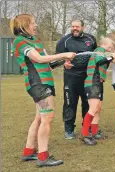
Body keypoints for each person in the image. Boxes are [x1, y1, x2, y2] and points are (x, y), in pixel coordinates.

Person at [12, 13, 76, 166]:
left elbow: (48, 63)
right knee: (48, 118)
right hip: (38, 85)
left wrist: (63, 61)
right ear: (23, 26)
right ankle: (43, 157)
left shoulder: (35, 41)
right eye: (33, 22)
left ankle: (29, 152)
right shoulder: (20, 42)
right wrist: (64, 53)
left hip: (44, 83)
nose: (36, 25)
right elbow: (38, 59)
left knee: (40, 118)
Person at [56, 19, 98, 140]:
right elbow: (57, 57)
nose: (74, 28)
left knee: (87, 103)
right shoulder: (64, 41)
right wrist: (64, 63)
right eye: (73, 26)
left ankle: (87, 126)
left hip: (88, 77)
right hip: (71, 77)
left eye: (77, 26)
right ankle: (69, 129)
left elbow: (96, 54)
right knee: (70, 103)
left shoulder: (91, 39)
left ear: (83, 27)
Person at [81, 37, 115, 145]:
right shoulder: (99, 50)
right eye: (110, 48)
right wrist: (113, 56)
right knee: (93, 108)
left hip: (98, 82)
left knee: (97, 108)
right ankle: (85, 135)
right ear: (107, 45)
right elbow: (100, 61)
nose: (110, 50)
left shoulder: (102, 52)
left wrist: (112, 57)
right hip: (93, 81)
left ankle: (94, 132)